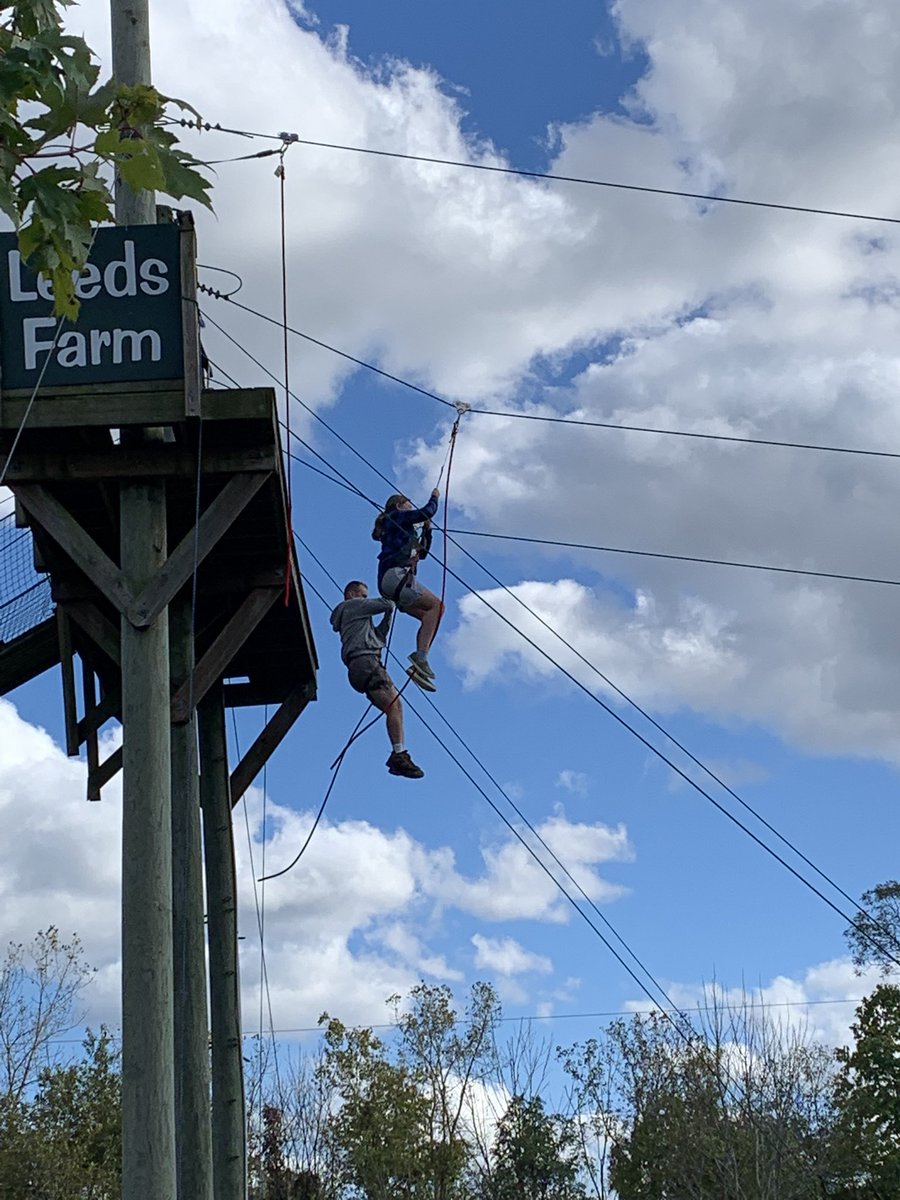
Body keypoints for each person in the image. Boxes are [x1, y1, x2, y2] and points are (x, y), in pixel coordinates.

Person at [330, 580, 424, 779]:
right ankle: (398, 754)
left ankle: (398, 753)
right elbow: (386, 604)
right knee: (395, 705)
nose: (365, 599)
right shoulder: (352, 606)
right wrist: (395, 593)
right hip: (366, 662)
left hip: (360, 666)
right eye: (363, 595)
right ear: (352, 594)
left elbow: (379, 637)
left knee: (394, 707)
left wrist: (389, 616)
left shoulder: (358, 622)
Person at [372, 489, 443, 687]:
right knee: (437, 606)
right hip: (396, 576)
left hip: (391, 582)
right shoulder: (394, 517)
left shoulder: (402, 531)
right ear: (398, 506)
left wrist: (428, 530)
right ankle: (420, 658)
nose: (410, 507)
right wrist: (434, 498)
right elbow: (426, 512)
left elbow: (423, 553)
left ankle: (420, 661)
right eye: (408, 504)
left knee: (430, 615)